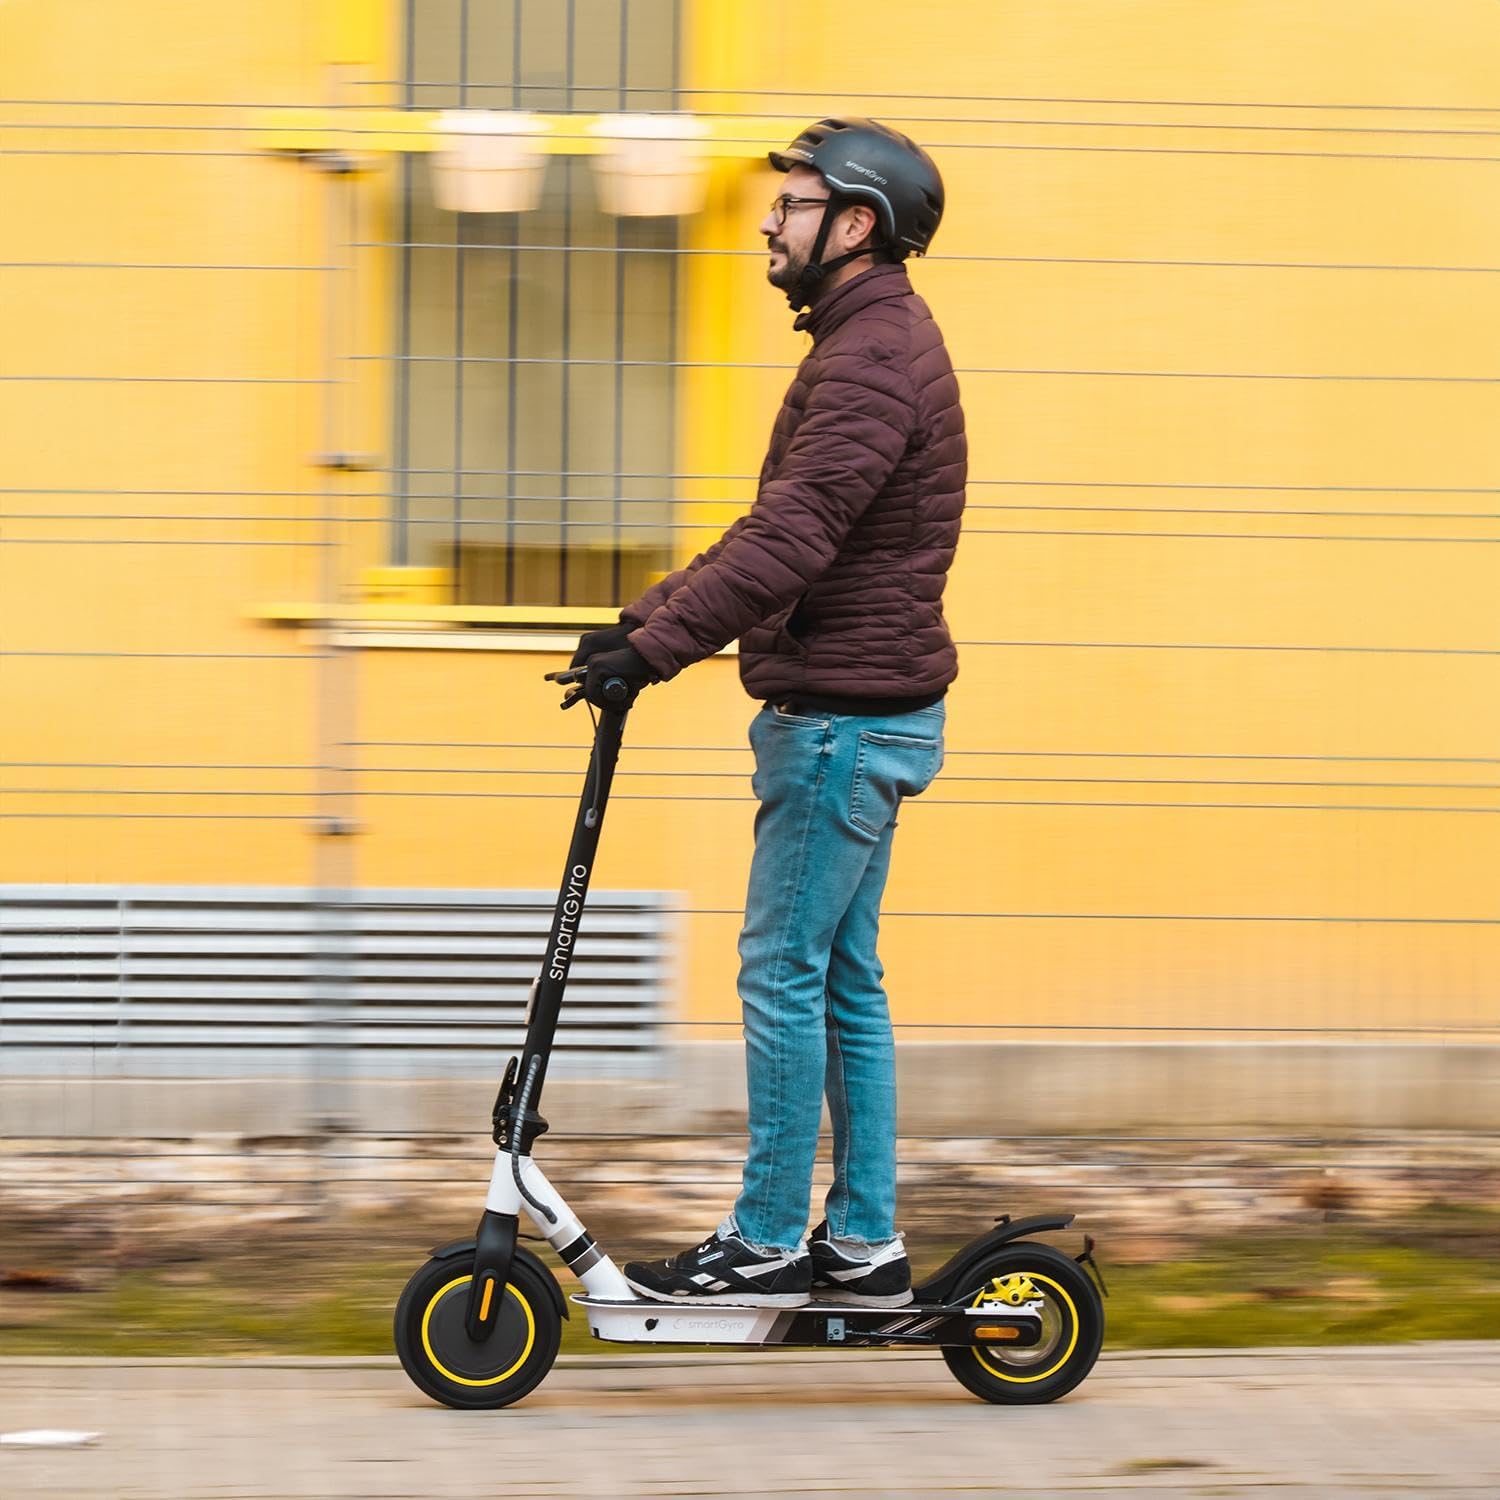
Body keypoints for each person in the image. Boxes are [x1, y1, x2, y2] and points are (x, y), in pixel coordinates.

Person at [571, 118, 966, 1309]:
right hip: (868, 712)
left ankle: (767, 1241)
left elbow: (796, 538)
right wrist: (647, 620)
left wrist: (660, 650)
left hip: (843, 725)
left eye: (791, 204)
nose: (768, 221)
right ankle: (861, 1247)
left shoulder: (868, 358)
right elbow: (779, 529)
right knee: (842, 979)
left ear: (855, 226)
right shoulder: (870, 340)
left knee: (783, 972)